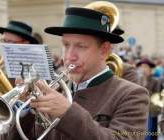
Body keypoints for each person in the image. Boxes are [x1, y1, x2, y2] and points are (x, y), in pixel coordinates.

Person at [17, 6, 149, 140]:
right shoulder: (55, 90)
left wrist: (68, 113)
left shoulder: (132, 94)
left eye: (81, 46)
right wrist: (24, 109)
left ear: (104, 50)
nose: (69, 56)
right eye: (66, 45)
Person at [136, 58, 160, 140]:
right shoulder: (139, 79)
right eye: (142, 67)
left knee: (149, 134)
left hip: (151, 111)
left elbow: (157, 97)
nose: (143, 69)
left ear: (150, 69)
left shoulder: (156, 80)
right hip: (139, 110)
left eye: (145, 67)